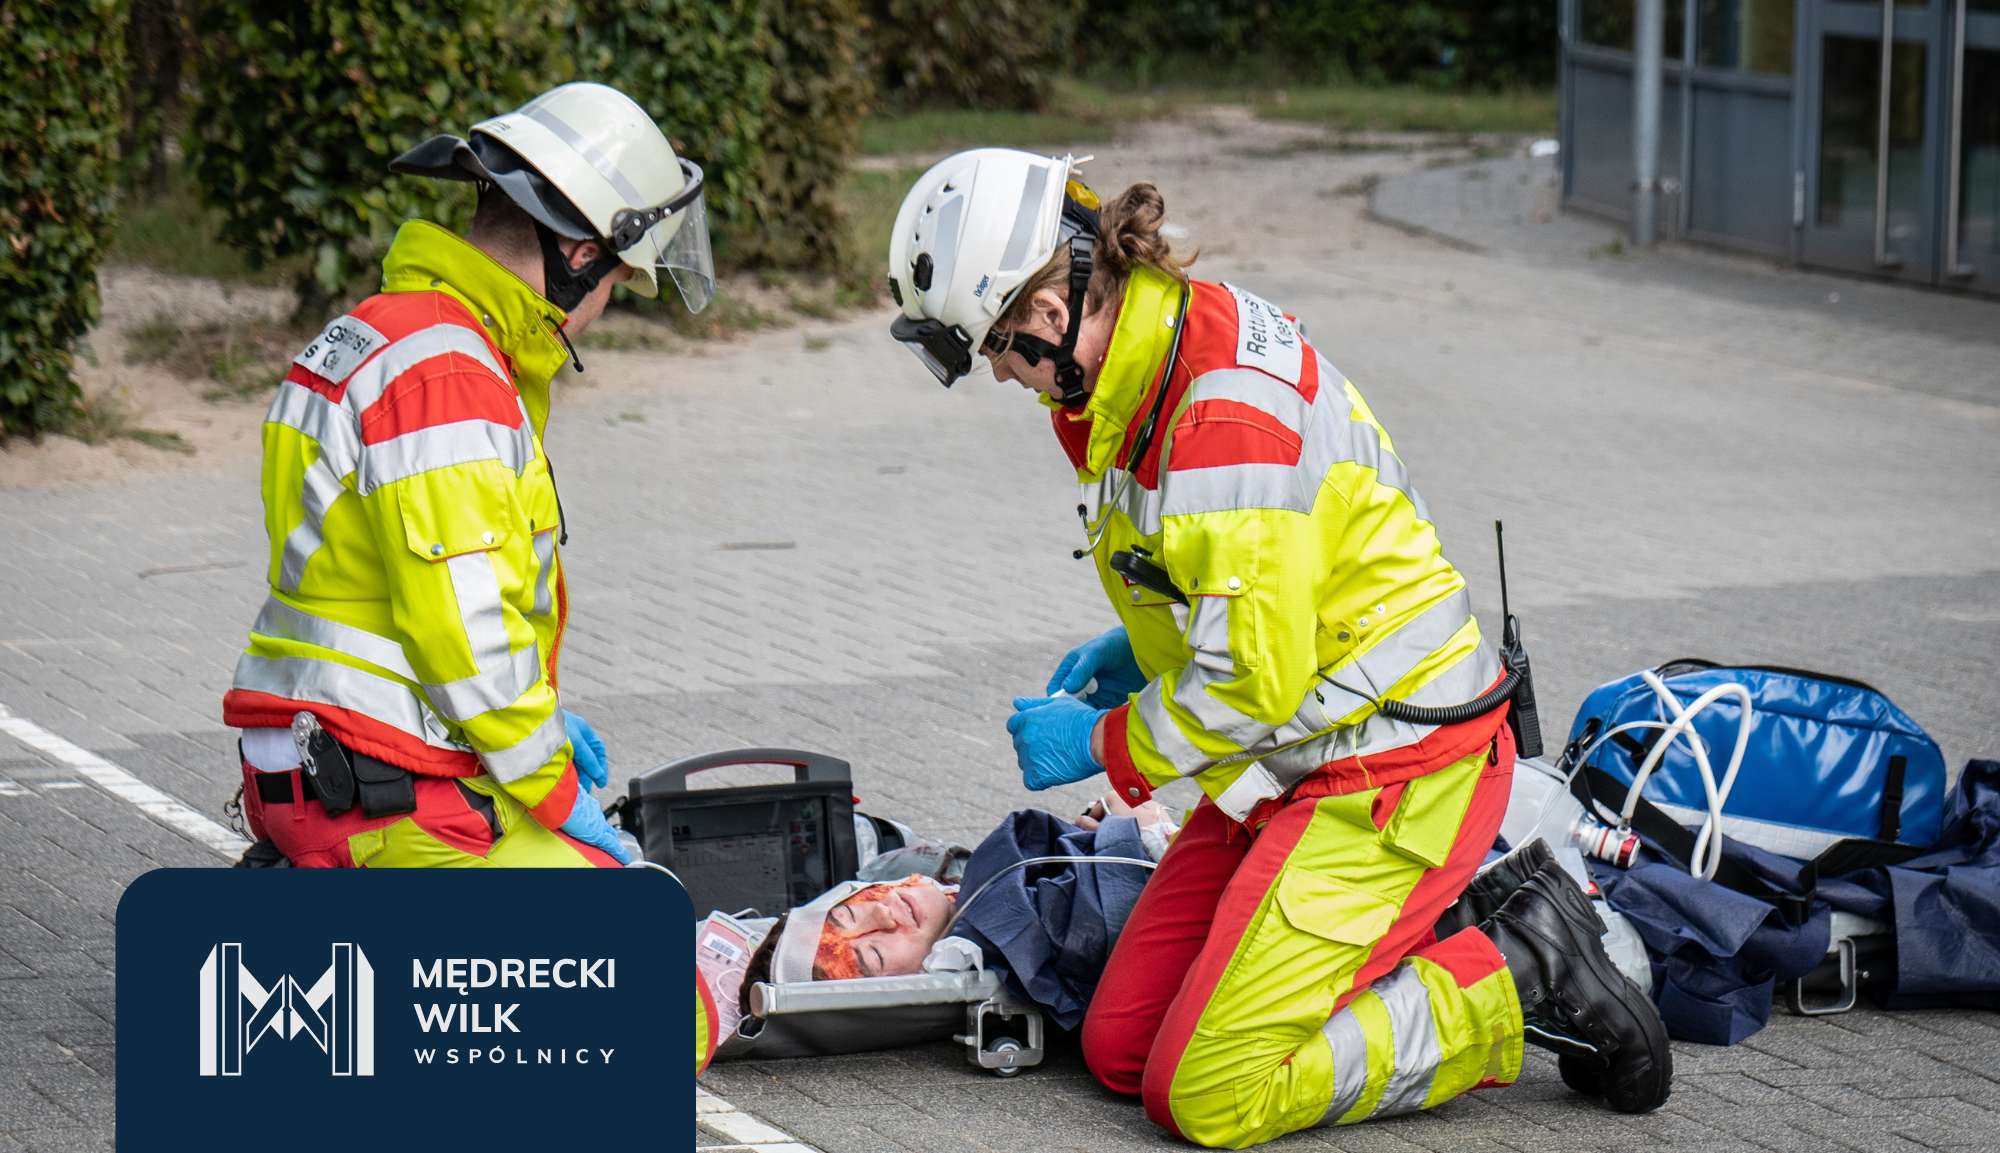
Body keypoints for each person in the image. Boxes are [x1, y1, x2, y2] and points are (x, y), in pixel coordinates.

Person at [885, 149, 1671, 1147]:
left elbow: (1254, 682)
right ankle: (1382, 944)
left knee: (1208, 1091)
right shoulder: (1144, 358)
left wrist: (1102, 744)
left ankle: (1512, 968)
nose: (999, 371)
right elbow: (1236, 576)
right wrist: (1145, 644)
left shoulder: (1215, 412)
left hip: (1390, 769)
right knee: (1122, 1047)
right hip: (1290, 762)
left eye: (995, 345)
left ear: (1047, 304)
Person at [222, 82, 714, 869]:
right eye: (618, 283)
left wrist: (538, 728)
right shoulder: (447, 375)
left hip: (332, 758)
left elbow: (389, 590)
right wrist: (553, 786)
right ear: (581, 256)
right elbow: (465, 631)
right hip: (384, 785)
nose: (604, 308)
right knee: (647, 958)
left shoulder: (384, 330)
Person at [694, 792, 1179, 1072]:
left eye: (850, 915)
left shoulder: (915, 871)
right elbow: (1102, 918)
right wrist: (1142, 834)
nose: (883, 918)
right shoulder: (1013, 929)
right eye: (876, 957)